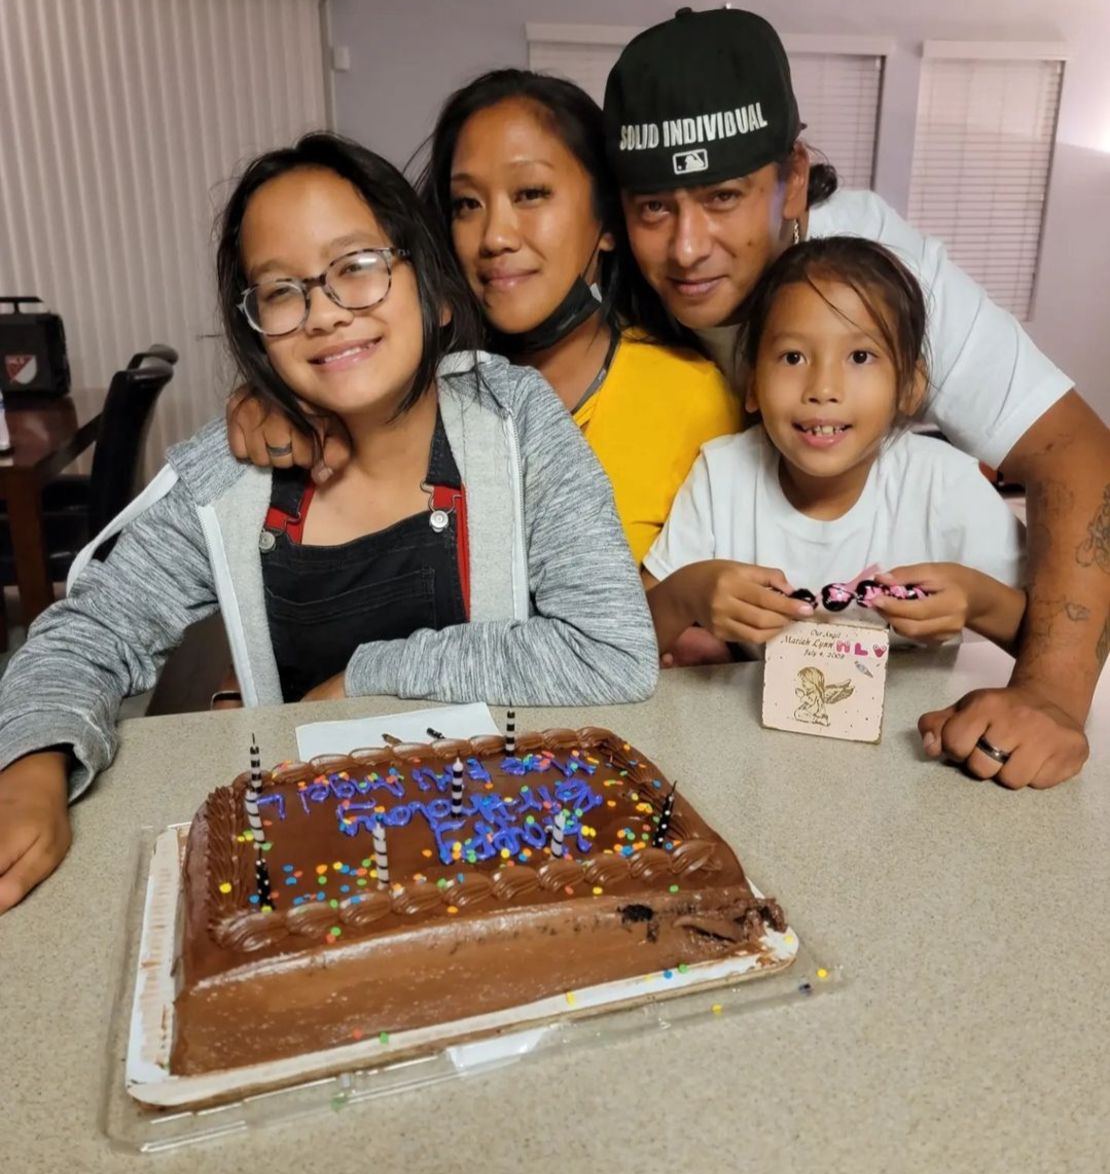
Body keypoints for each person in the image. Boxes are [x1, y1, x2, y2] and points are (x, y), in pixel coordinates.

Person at [0, 132, 657, 913]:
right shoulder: (230, 480)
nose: (325, 314)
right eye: (282, 291)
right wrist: (33, 758)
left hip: (508, 863)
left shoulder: (515, 425)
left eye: (358, 267)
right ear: (257, 331)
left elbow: (611, 651)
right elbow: (88, 632)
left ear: (435, 289)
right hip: (319, 879)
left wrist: (364, 675)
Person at [604, 6, 1109, 788]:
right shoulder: (603, 295)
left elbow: (1076, 449)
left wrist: (1048, 694)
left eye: (726, 197)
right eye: (654, 208)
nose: (687, 247)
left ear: (794, 180)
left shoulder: (880, 278)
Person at [229, 70, 740, 566]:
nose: (495, 236)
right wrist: (276, 404)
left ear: (607, 220)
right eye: (467, 203)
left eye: (531, 194)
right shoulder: (405, 391)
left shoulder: (690, 400)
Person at [644, 237, 1026, 665]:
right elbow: (623, 640)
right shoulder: (722, 475)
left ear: (909, 387)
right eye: (792, 358)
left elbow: (1062, 640)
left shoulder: (947, 484)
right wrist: (686, 595)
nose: (823, 389)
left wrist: (979, 601)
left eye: (860, 356)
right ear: (752, 383)